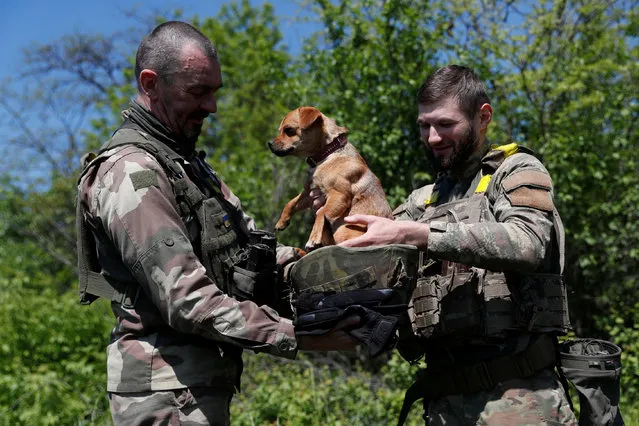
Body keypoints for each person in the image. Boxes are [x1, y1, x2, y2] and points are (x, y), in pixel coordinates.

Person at [76, 21, 355, 426]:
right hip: (165, 393)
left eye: (214, 91)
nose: (212, 106)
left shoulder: (187, 168)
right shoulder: (132, 173)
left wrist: (337, 269)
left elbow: (249, 253)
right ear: (151, 84)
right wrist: (304, 337)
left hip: (194, 385)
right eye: (198, 92)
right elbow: (188, 301)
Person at [340, 65, 578, 425]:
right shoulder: (423, 200)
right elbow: (370, 258)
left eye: (445, 124)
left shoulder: (515, 171)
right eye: (424, 126)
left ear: (483, 117)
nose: (433, 137)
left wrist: (418, 234)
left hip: (520, 402)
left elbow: (529, 243)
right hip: (444, 404)